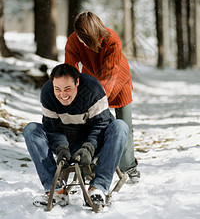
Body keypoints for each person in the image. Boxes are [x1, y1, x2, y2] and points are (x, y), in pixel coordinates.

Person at [23, 63, 128, 206]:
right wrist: (61, 148)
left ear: (77, 82)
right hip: (67, 141)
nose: (63, 95)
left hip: (95, 140)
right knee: (31, 129)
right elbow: (52, 128)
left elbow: (101, 125)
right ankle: (56, 190)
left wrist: (89, 148)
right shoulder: (47, 93)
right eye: (57, 89)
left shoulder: (93, 89)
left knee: (120, 126)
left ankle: (97, 188)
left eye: (67, 88)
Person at [64, 11, 140, 182]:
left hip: (118, 81)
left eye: (85, 39)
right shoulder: (74, 40)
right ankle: (94, 158)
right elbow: (69, 70)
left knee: (124, 125)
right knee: (91, 122)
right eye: (79, 37)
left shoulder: (112, 40)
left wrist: (95, 101)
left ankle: (129, 167)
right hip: (91, 81)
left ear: (93, 32)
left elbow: (110, 75)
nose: (82, 42)